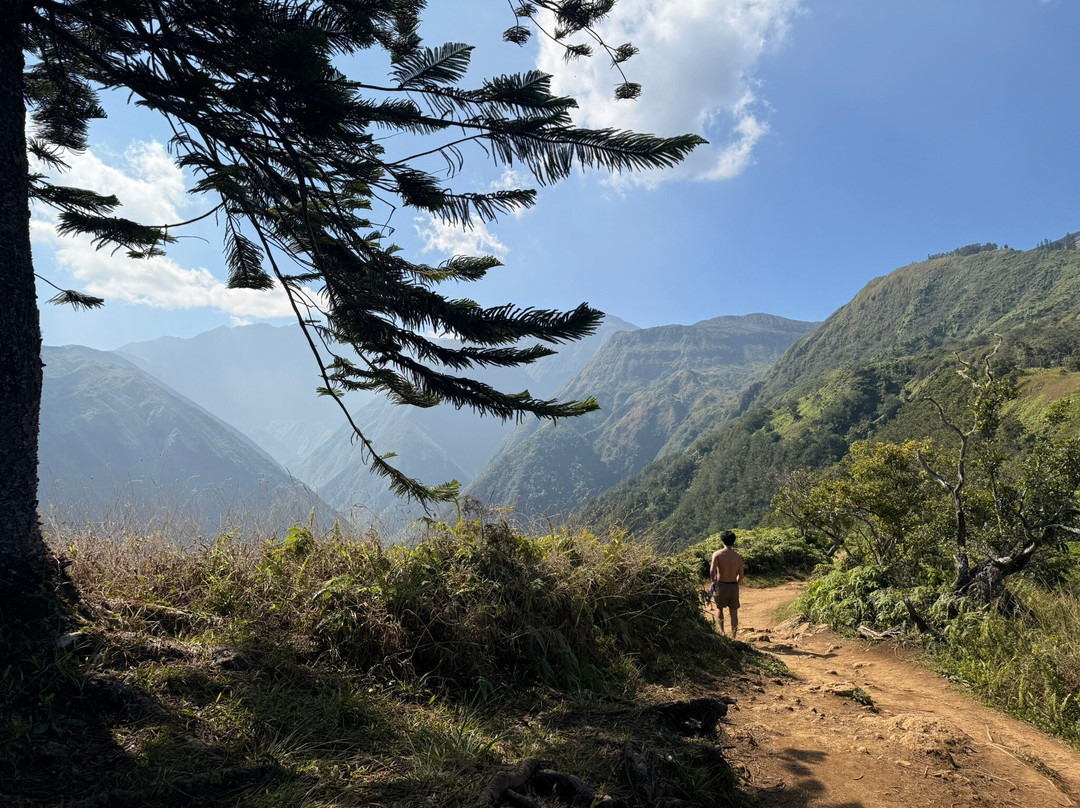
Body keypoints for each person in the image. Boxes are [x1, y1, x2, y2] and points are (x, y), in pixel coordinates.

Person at [709, 530, 745, 638]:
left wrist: (713, 582)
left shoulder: (717, 554)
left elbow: (712, 570)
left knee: (719, 608)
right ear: (733, 541)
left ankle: (722, 632)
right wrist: (736, 584)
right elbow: (741, 574)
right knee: (733, 612)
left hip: (721, 585)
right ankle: (734, 635)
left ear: (722, 541)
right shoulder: (737, 557)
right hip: (733, 585)